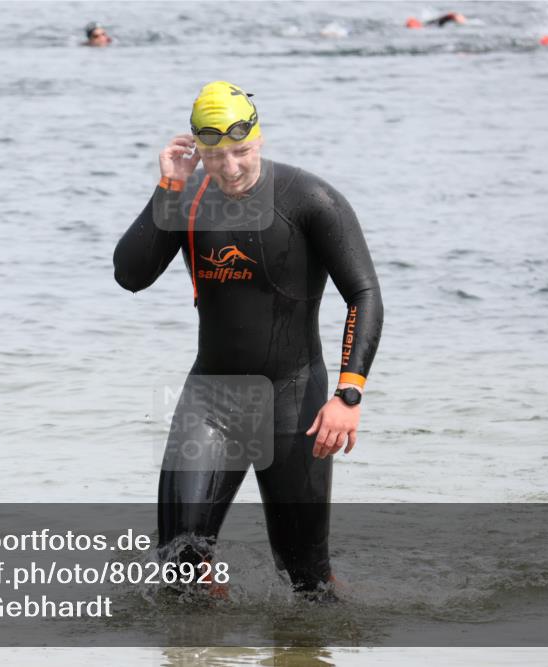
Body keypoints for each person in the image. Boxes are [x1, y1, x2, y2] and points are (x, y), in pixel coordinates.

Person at [113, 81, 384, 598]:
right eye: (215, 156)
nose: (230, 167)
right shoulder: (187, 200)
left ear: (259, 139)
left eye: (242, 151)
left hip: (295, 401)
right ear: (196, 149)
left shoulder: (310, 200)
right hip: (210, 401)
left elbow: (365, 296)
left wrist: (349, 395)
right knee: (179, 569)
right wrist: (168, 186)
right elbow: (131, 274)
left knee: (306, 585)